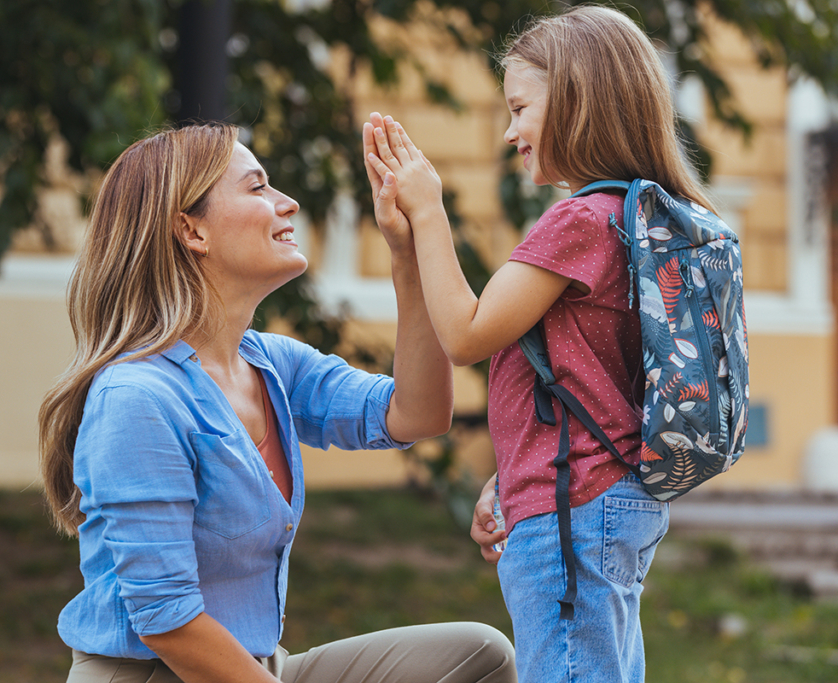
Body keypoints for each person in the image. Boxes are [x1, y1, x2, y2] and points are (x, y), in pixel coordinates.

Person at [38, 123, 517, 683]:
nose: (286, 203)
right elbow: (166, 621)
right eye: (257, 187)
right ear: (191, 230)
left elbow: (417, 414)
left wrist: (409, 254)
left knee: (479, 658)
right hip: (160, 671)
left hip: (262, 668)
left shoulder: (269, 364)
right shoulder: (137, 399)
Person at [363, 6, 720, 682]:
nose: (508, 131)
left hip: (572, 512)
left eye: (520, 107)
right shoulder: (633, 217)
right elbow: (591, 379)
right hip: (598, 494)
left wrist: (428, 209)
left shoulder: (579, 221)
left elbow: (467, 333)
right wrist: (515, 473)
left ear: (578, 102)